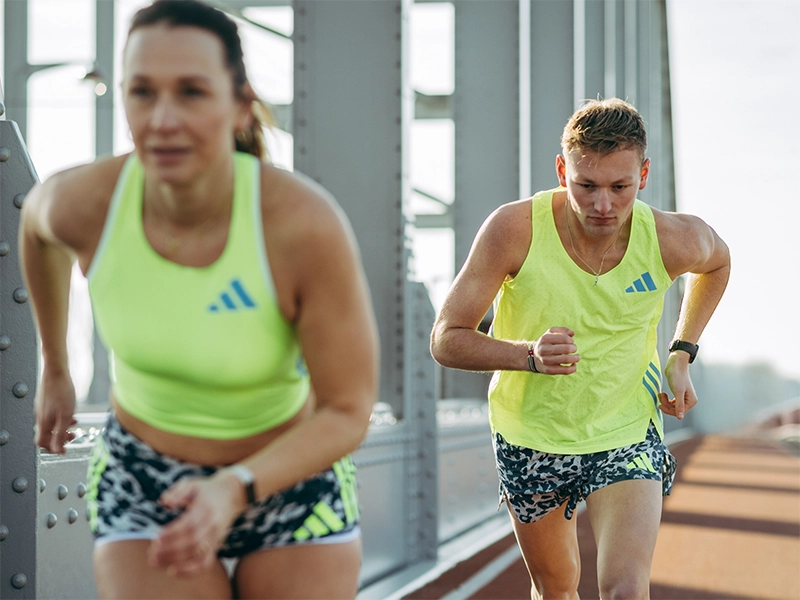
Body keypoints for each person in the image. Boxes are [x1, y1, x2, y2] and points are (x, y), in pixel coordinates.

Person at [20, 1, 378, 598]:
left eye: (191, 92)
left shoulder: (302, 225)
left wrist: (236, 485)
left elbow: (347, 408)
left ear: (239, 105)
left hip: (286, 476)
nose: (162, 119)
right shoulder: (87, 202)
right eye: (141, 92)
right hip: (146, 477)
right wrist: (54, 367)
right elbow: (36, 231)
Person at [430, 98, 730, 599]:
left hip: (625, 431)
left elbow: (718, 264)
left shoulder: (673, 238)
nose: (603, 206)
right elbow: (445, 338)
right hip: (532, 434)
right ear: (561, 169)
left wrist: (681, 352)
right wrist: (527, 356)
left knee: (625, 590)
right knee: (557, 589)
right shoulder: (514, 229)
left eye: (620, 187)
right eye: (586, 186)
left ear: (645, 174)